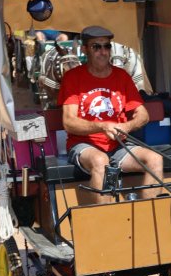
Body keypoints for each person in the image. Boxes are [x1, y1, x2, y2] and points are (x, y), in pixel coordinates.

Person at [58, 25, 161, 204]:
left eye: (107, 46)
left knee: (155, 159)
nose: (103, 51)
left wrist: (126, 126)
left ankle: (150, 218)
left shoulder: (122, 76)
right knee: (100, 160)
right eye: (96, 47)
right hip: (84, 145)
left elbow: (143, 115)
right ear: (85, 50)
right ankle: (106, 223)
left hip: (118, 145)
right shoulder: (73, 78)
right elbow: (69, 122)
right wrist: (102, 126)